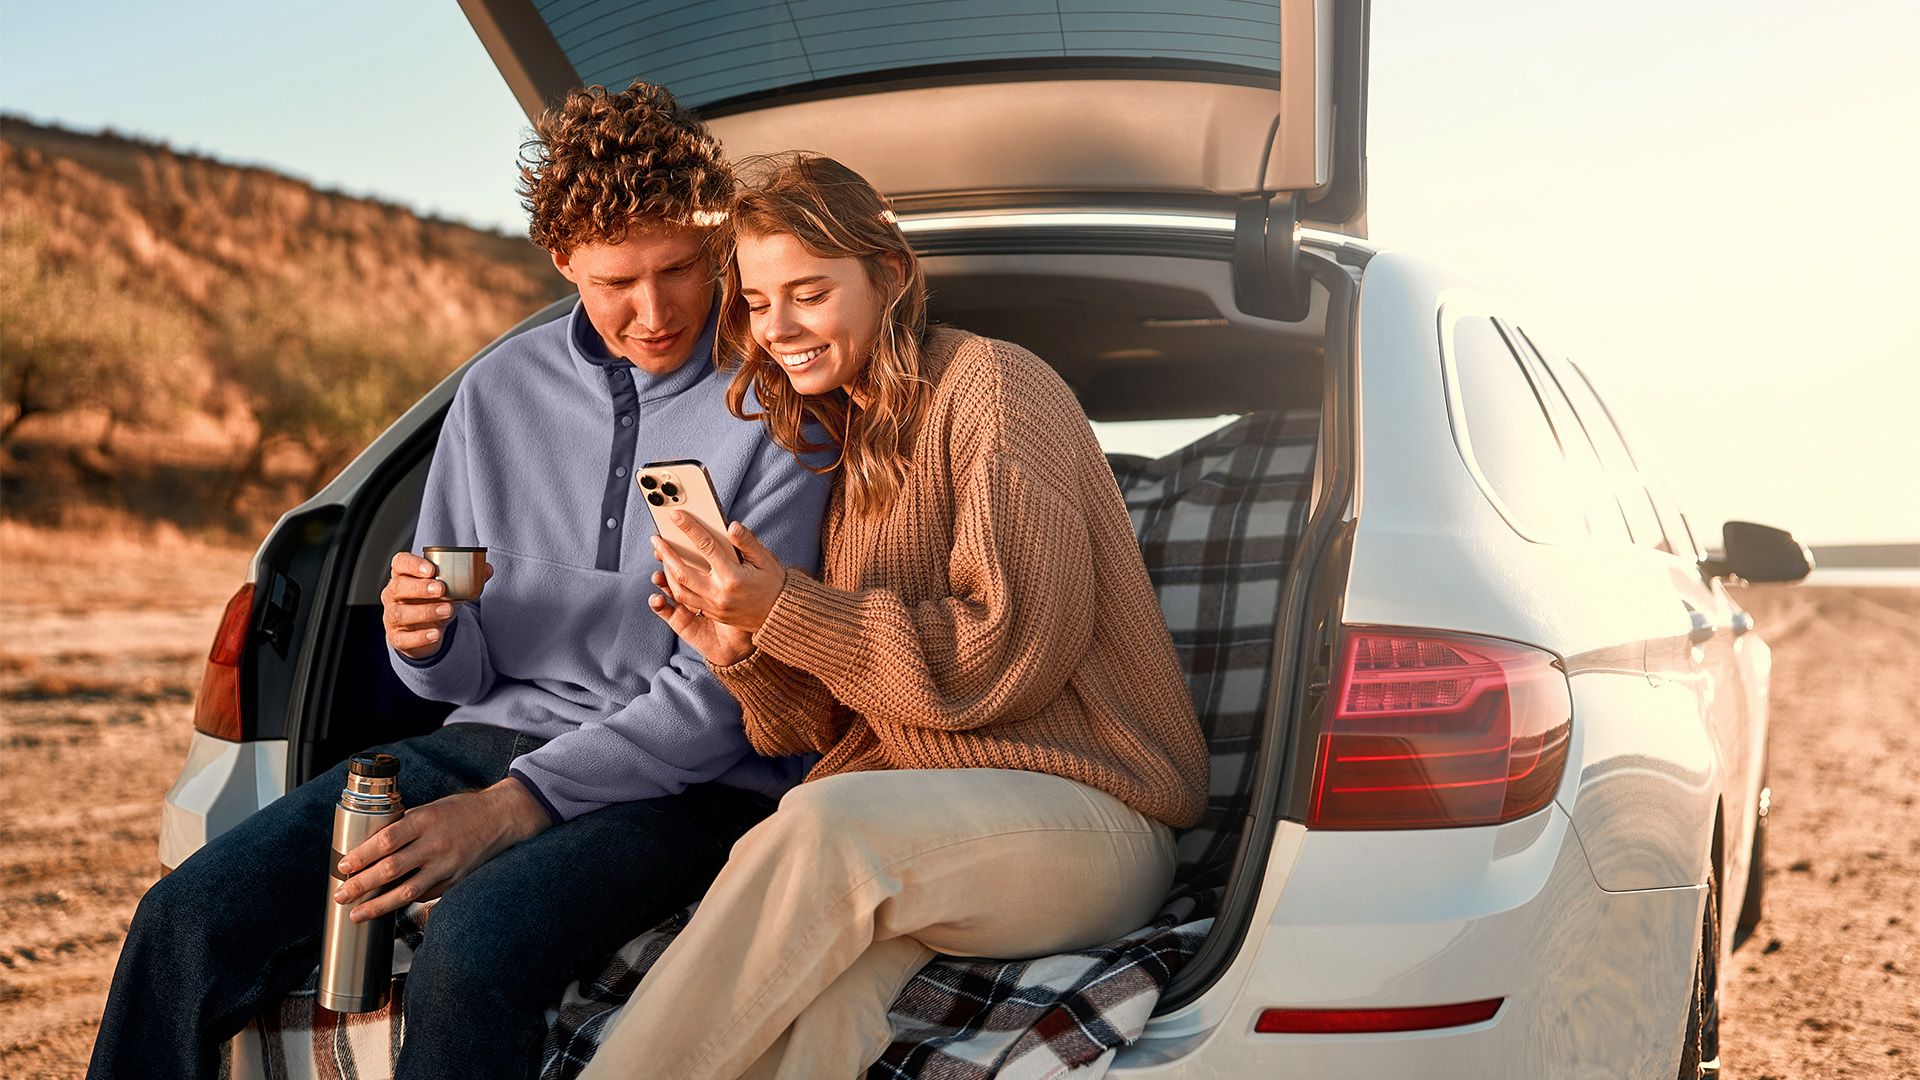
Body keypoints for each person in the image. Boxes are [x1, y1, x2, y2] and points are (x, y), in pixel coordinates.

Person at [87, 84, 833, 1080]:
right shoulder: (498, 393)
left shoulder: (777, 405)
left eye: (682, 269)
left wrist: (517, 806)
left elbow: (728, 701)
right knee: (185, 920)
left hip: (693, 785)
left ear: (718, 250)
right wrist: (425, 637)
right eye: (618, 280)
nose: (654, 312)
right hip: (486, 741)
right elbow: (454, 663)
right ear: (562, 259)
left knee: (475, 942)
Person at [578, 155, 1210, 1080]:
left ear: (888, 274)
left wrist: (789, 605)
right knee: (803, 1020)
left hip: (1099, 816)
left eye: (808, 292)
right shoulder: (840, 448)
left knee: (820, 826)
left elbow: (1006, 655)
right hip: (937, 827)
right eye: (756, 302)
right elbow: (836, 727)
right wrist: (744, 650)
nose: (780, 327)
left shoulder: (993, 387)